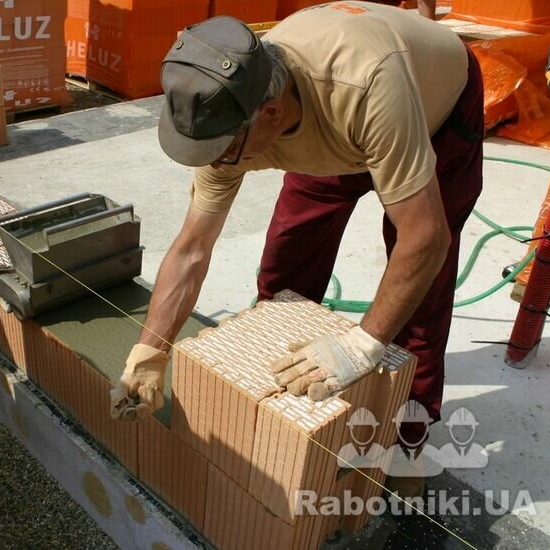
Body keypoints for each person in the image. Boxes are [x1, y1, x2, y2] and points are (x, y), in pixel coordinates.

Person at [110, 2, 484, 495]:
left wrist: (362, 345)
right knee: (286, 270)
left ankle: (407, 442)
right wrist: (150, 351)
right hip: (336, 118)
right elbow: (193, 247)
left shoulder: (365, 88)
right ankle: (278, 411)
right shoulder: (232, 109)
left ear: (271, 115)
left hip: (433, 110)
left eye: (222, 151)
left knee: (418, 297)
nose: (215, 163)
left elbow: (426, 239)